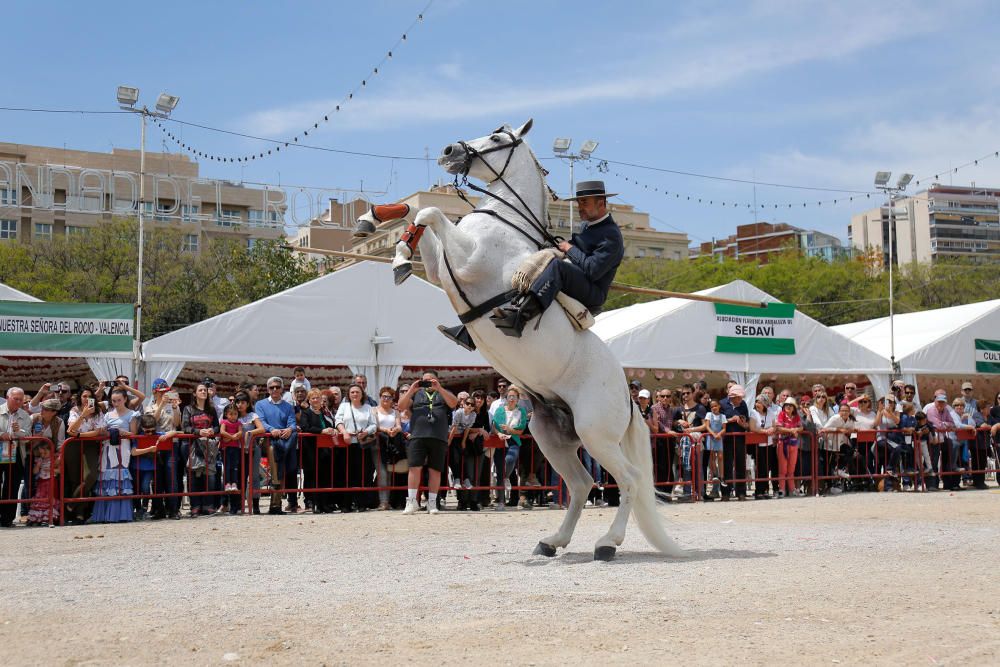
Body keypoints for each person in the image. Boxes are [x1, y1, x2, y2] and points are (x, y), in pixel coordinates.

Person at [489, 180, 625, 339]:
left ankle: (520, 318)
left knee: (557, 267)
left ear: (601, 203)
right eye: (579, 202)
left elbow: (593, 270)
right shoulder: (589, 226)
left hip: (593, 293)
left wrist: (569, 248)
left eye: (585, 202)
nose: (580, 207)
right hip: (579, 280)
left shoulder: (611, 235)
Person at [398, 371, 458, 514]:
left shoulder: (443, 393)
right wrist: (412, 388)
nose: (428, 383)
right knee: (414, 468)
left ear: (437, 380)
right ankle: (412, 502)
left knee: (435, 470)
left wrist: (440, 388)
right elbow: (401, 406)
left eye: (431, 380)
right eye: (425, 380)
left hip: (438, 436)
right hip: (418, 435)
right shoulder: (416, 393)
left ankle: (432, 503)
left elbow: (454, 403)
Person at [90, 388, 140, 523]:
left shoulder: (132, 414)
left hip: (122, 450)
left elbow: (133, 433)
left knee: (120, 478)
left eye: (119, 400)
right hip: (107, 448)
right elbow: (102, 431)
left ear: (125, 399)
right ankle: (105, 514)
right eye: (113, 401)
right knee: (106, 477)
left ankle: (119, 513)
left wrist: (121, 432)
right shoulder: (107, 415)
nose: (116, 403)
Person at [63, 389, 107, 524]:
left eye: (89, 396)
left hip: (89, 445)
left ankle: (71, 503)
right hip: (74, 445)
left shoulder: (98, 411)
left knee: (90, 476)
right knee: (75, 479)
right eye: (84, 396)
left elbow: (98, 432)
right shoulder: (75, 410)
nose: (87, 399)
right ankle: (79, 515)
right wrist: (83, 415)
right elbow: (70, 429)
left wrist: (79, 435)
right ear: (80, 397)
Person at [255, 377, 298, 515]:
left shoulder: (288, 406)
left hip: (285, 442)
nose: (274, 389)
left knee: (284, 471)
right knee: (275, 471)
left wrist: (290, 429)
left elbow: (292, 422)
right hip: (269, 442)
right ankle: (275, 504)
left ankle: (277, 504)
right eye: (271, 387)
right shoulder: (260, 404)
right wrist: (271, 429)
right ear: (267, 389)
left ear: (281, 389)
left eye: (277, 387)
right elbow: (261, 421)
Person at [335, 384, 379, 512]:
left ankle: (361, 503)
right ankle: (346, 504)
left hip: (362, 445)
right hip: (347, 444)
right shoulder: (344, 406)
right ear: (349, 394)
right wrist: (344, 432)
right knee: (346, 474)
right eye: (352, 392)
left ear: (362, 394)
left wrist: (366, 432)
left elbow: (373, 425)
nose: (355, 394)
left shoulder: (368, 407)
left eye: (357, 392)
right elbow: (338, 420)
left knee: (362, 474)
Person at [183, 383, 220, 518]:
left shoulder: (212, 410)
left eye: (205, 390)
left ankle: (208, 505)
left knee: (209, 476)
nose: (204, 392)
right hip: (193, 447)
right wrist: (199, 431)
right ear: (194, 393)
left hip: (209, 448)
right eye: (201, 390)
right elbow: (185, 427)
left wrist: (212, 430)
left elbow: (217, 426)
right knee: (194, 476)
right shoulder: (188, 409)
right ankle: (195, 506)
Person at [489, 385, 529, 510]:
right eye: (510, 396)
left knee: (510, 460)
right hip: (500, 440)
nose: (512, 399)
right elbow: (494, 426)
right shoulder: (500, 410)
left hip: (513, 441)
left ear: (518, 399)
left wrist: (510, 430)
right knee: (500, 468)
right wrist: (499, 433)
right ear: (506, 398)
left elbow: (521, 430)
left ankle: (506, 477)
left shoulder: (521, 411)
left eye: (514, 397)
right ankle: (501, 502)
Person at [299, 388, 339, 513]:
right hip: (310, 449)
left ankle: (324, 503)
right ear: (309, 400)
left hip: (324, 449)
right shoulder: (306, 413)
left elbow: (328, 425)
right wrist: (321, 431)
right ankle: (313, 502)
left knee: (324, 476)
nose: (316, 400)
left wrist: (333, 429)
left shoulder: (323, 413)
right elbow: (305, 427)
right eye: (313, 398)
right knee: (312, 475)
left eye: (318, 398)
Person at [146, 385, 182, 520]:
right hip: (156, 445)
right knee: (157, 479)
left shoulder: (173, 406)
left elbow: (177, 423)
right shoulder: (150, 407)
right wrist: (161, 405)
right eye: (162, 392)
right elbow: (151, 422)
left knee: (171, 477)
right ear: (155, 392)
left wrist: (174, 407)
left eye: (167, 392)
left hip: (171, 444)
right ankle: (158, 509)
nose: (165, 394)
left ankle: (173, 509)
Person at [233, 392, 267, 514]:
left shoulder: (252, 415)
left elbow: (262, 428)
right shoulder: (233, 416)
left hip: (252, 449)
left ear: (247, 404)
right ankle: (239, 505)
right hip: (238, 451)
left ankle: (255, 504)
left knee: (254, 476)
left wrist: (250, 433)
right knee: (240, 476)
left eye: (243, 402)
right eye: (238, 402)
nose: (240, 405)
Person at [447, 395, 478, 510]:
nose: (470, 406)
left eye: (472, 404)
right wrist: (449, 442)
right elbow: (454, 427)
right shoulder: (459, 413)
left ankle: (465, 479)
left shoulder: (473, 415)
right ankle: (457, 478)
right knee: (454, 458)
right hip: (452, 436)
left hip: (460, 437)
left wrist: (464, 441)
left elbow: (467, 429)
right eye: (468, 403)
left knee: (462, 457)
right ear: (463, 404)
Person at [719, 384, 749, 501]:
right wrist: (731, 419)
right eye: (738, 397)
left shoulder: (743, 404)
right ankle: (725, 493)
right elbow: (717, 420)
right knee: (726, 466)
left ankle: (741, 492)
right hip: (726, 439)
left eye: (741, 397)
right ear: (732, 396)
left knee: (741, 465)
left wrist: (743, 423)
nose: (740, 400)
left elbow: (746, 419)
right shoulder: (722, 404)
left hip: (740, 438)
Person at [774, 397, 803, 497]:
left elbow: (801, 427)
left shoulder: (796, 416)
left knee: (791, 469)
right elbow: (778, 428)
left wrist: (795, 430)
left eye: (790, 405)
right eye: (786, 405)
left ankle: (792, 489)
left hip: (793, 444)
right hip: (783, 444)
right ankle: (782, 489)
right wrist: (792, 431)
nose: (788, 407)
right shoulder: (781, 414)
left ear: (794, 407)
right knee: (783, 469)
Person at [131, 413, 159, 520]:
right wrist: (149, 449)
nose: (150, 433)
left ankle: (144, 507)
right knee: (136, 488)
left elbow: (176, 432)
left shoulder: (157, 434)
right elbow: (133, 452)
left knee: (145, 487)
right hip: (136, 467)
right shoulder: (138, 437)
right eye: (147, 431)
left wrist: (168, 434)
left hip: (150, 468)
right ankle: (138, 508)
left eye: (152, 430)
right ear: (142, 428)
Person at [26, 439, 58, 526]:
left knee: (50, 500)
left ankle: (48, 518)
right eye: (41, 454)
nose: (43, 456)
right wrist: (37, 466)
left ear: (51, 450)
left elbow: (59, 470)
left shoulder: (55, 458)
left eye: (45, 453)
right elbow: (34, 472)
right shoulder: (40, 460)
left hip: (51, 481)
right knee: (40, 500)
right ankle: (37, 518)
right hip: (41, 482)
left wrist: (52, 469)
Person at [219, 404, 243, 505]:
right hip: (226, 448)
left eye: (235, 414)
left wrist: (231, 438)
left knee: (234, 466)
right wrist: (233, 437)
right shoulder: (224, 422)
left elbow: (240, 433)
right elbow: (222, 431)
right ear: (226, 414)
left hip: (235, 448)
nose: (233, 416)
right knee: (227, 466)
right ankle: (227, 483)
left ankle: (234, 483)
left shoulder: (239, 423)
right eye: (231, 414)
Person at [703, 400, 725, 499]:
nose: (714, 408)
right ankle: (715, 473)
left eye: (715, 406)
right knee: (711, 457)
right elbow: (707, 426)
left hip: (718, 438)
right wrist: (713, 434)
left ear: (719, 406)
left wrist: (719, 434)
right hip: (711, 438)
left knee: (720, 456)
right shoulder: (708, 415)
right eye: (712, 407)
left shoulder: (722, 416)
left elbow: (724, 428)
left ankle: (721, 475)